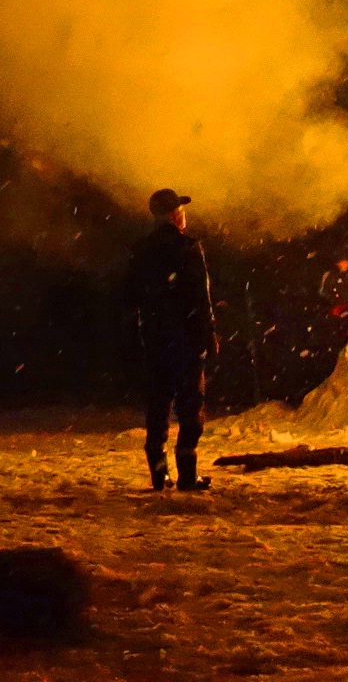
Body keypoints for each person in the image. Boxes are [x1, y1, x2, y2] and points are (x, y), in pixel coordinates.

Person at [126, 187, 215, 492]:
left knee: (158, 405)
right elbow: (201, 297)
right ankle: (187, 476)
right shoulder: (189, 247)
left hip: (155, 340)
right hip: (187, 340)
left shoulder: (141, 250)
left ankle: (158, 472)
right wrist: (208, 333)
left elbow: (129, 296)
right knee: (191, 407)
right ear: (175, 215)